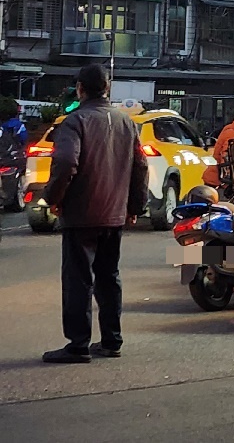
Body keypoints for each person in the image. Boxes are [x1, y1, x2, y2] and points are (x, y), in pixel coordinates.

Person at [41, 64, 149, 363]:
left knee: (78, 280)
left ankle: (77, 344)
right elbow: (140, 167)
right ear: (107, 87)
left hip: (81, 214)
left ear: (80, 89)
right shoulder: (126, 123)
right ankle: (111, 340)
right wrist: (135, 206)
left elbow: (65, 163)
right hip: (114, 213)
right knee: (108, 277)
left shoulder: (76, 122)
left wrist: (53, 196)